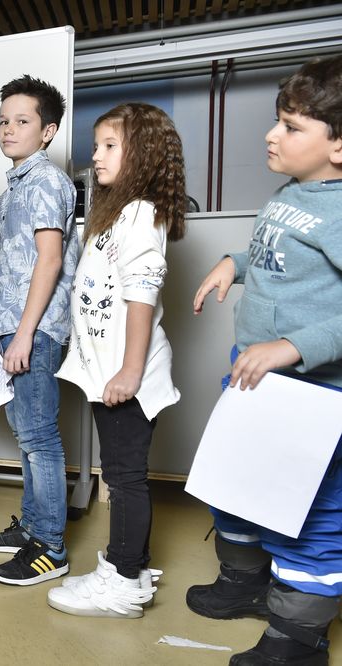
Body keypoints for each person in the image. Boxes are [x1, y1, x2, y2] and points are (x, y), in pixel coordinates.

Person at [186, 55, 342, 665]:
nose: (271, 136)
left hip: (313, 390)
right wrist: (234, 262)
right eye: (278, 121)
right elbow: (270, 251)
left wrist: (295, 346)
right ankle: (245, 584)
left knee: (311, 515)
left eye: (292, 127)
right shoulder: (294, 192)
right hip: (255, 375)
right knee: (238, 487)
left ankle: (298, 638)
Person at [47, 102, 186, 618]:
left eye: (109, 146)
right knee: (121, 474)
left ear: (143, 155)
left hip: (128, 376)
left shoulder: (142, 214)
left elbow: (142, 296)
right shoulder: (117, 214)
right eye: (96, 144)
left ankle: (124, 581)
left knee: (124, 479)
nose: (96, 156)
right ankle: (130, 565)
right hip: (110, 373)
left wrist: (128, 372)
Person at [0, 75, 79, 586]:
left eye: (22, 121)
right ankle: (34, 529)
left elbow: (50, 260)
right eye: (3, 120)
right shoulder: (18, 184)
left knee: (40, 439)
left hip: (33, 330)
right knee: (28, 436)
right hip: (14, 328)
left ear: (48, 131)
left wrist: (24, 334)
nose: (9, 128)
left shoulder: (45, 182)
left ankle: (51, 549)